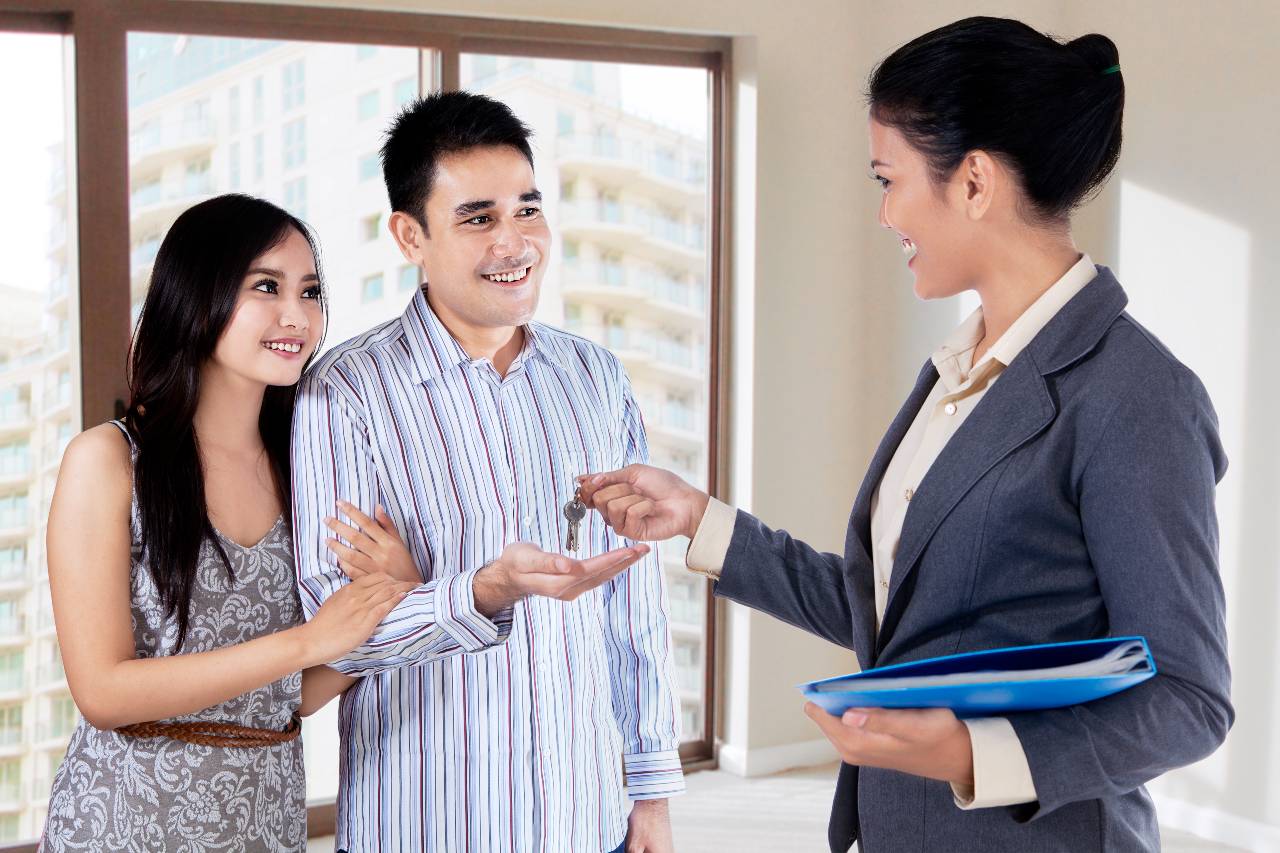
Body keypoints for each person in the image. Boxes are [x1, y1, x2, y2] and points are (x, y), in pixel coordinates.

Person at [576, 16, 1232, 853]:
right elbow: (892, 616)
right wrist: (700, 520)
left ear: (975, 183)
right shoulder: (960, 370)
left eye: (889, 179)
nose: (885, 214)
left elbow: (1188, 700)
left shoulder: (1136, 396)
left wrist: (971, 752)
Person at [290, 91, 682, 853]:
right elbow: (333, 633)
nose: (515, 242)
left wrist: (651, 794)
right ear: (411, 235)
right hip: (428, 822)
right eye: (478, 218)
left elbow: (634, 606)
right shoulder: (347, 393)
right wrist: (477, 592)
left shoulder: (595, 379)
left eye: (527, 210)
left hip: (586, 816)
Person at [40, 194, 413, 851]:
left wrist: (395, 602)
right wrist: (307, 641)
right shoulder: (106, 461)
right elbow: (102, 689)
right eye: (266, 286)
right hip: (125, 827)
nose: (296, 315)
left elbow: (286, 697)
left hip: (265, 827)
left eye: (310, 290)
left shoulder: (305, 471)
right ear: (196, 295)